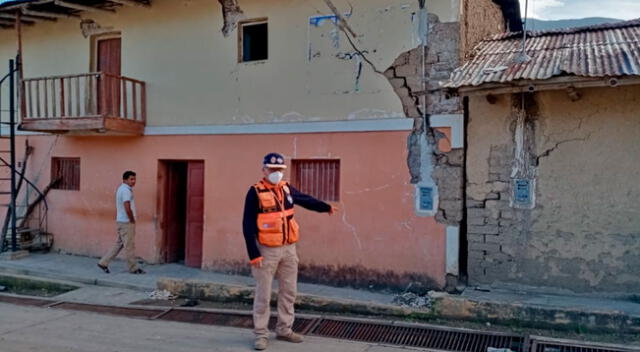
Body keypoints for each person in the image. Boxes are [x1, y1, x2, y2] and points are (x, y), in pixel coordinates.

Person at [243, 153, 336, 350]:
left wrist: (324, 207)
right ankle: (261, 334)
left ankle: (284, 329)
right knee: (263, 295)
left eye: (279, 170)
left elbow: (305, 200)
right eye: (271, 169)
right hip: (266, 251)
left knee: (289, 292)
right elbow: (247, 224)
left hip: (289, 249)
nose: (275, 173)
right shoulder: (255, 192)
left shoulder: (286, 188)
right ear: (264, 170)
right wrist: (254, 253)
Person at [97, 170, 145, 274]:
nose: (133, 181)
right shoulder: (126, 190)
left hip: (121, 221)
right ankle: (133, 268)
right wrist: (131, 219)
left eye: (134, 179)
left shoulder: (122, 189)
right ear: (125, 180)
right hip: (126, 222)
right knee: (129, 246)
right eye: (131, 179)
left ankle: (103, 262)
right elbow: (127, 206)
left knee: (119, 244)